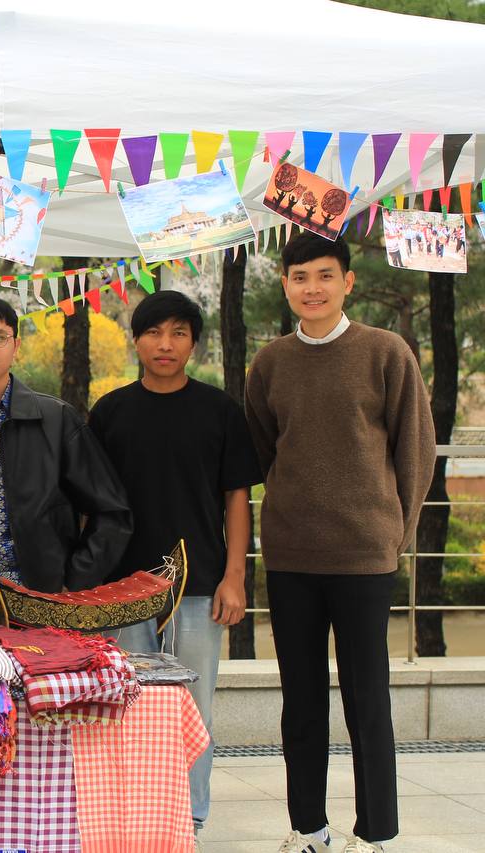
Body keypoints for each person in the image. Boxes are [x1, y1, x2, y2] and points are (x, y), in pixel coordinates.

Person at [245, 233, 435, 853]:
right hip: (292, 555)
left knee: (367, 700)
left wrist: (395, 534)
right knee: (300, 702)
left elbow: (415, 450)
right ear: (285, 285)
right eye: (300, 277)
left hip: (364, 555)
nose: (313, 288)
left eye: (325, 275)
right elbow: (264, 450)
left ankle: (376, 833)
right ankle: (308, 829)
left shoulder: (386, 352)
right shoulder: (270, 363)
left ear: (348, 282)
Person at [87, 290, 262, 847]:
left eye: (179, 333)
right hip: (122, 589)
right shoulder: (110, 412)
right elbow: (91, 502)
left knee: (194, 706)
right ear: (136, 340)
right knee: (126, 702)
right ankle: (133, 817)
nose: (166, 344)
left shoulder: (220, 411)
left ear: (193, 343)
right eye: (154, 332)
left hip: (201, 585)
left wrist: (234, 577)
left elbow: (238, 498)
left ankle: (191, 818)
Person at [0, 294, 131, 592]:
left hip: (40, 595)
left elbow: (111, 512)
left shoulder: (57, 420)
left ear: (16, 346)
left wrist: (74, 581)